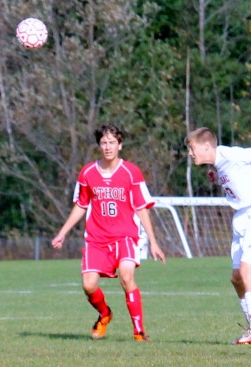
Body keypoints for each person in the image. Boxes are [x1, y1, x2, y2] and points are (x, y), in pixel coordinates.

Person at [52, 124, 166, 341]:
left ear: (120, 145)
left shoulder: (131, 172)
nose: (107, 147)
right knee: (88, 285)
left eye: (112, 142)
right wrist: (62, 232)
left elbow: (141, 207)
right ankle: (105, 314)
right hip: (96, 239)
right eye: (103, 143)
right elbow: (81, 204)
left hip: (125, 236)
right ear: (99, 145)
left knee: (126, 276)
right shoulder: (87, 173)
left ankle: (139, 332)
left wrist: (153, 241)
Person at [186, 127, 251, 345]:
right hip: (241, 219)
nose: (190, 153)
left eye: (192, 148)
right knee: (236, 278)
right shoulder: (220, 165)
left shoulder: (233, 155)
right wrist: (218, 179)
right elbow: (237, 180)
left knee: (246, 271)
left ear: (207, 146)